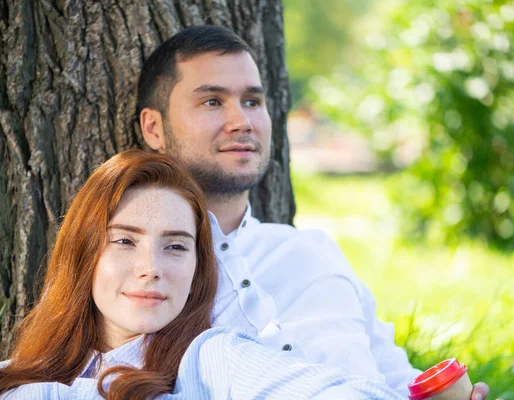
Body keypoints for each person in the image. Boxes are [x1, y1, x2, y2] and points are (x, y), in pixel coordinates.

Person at [137, 24, 488, 398]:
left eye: (253, 102)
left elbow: (398, 375)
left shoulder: (311, 251)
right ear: (154, 128)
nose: (242, 121)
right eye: (212, 102)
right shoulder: (145, 274)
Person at [0, 150, 403, 399]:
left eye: (175, 246)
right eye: (124, 241)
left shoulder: (213, 360)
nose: (151, 269)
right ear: (82, 253)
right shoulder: (18, 376)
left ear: (198, 267)